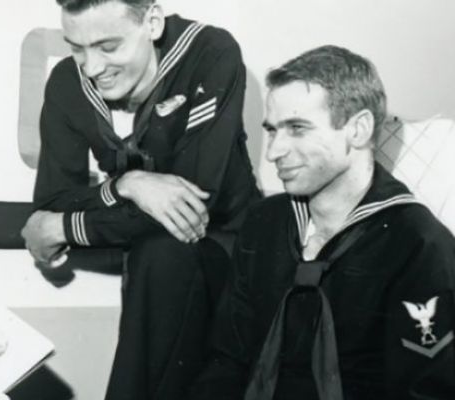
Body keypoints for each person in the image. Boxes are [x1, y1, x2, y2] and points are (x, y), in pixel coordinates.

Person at [20, 0, 260, 398]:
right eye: (77, 49)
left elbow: (190, 204)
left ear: (152, 22)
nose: (92, 67)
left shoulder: (209, 51)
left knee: (162, 253)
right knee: (157, 256)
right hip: (152, 267)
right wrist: (127, 185)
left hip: (232, 257)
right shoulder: (66, 81)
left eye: (108, 47)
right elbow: (53, 199)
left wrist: (63, 227)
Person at [191, 45, 455, 399]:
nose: (273, 151)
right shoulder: (265, 223)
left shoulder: (418, 244)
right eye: (272, 131)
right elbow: (227, 362)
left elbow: (427, 390)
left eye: (297, 129)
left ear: (358, 130)